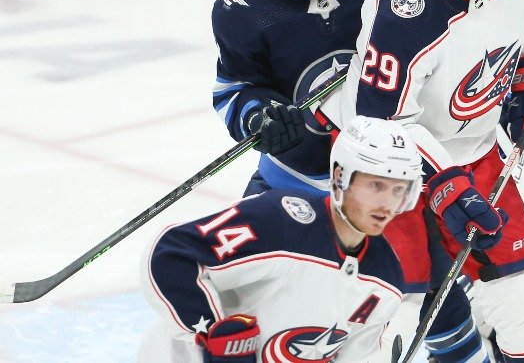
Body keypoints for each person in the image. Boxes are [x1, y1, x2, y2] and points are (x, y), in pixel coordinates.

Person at [320, 0, 524, 361]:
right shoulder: (408, 4)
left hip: (477, 154)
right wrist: (444, 182)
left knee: (522, 308)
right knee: (395, 314)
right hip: (391, 172)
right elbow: (381, 125)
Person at [138, 115, 430, 363]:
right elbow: (171, 255)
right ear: (341, 177)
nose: (386, 204)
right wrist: (214, 334)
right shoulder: (278, 221)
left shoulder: (386, 279)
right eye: (376, 185)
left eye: (397, 190)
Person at [211, 0, 400, 198]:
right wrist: (258, 117)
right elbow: (234, 90)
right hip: (296, 178)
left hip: (385, 171)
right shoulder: (245, 9)